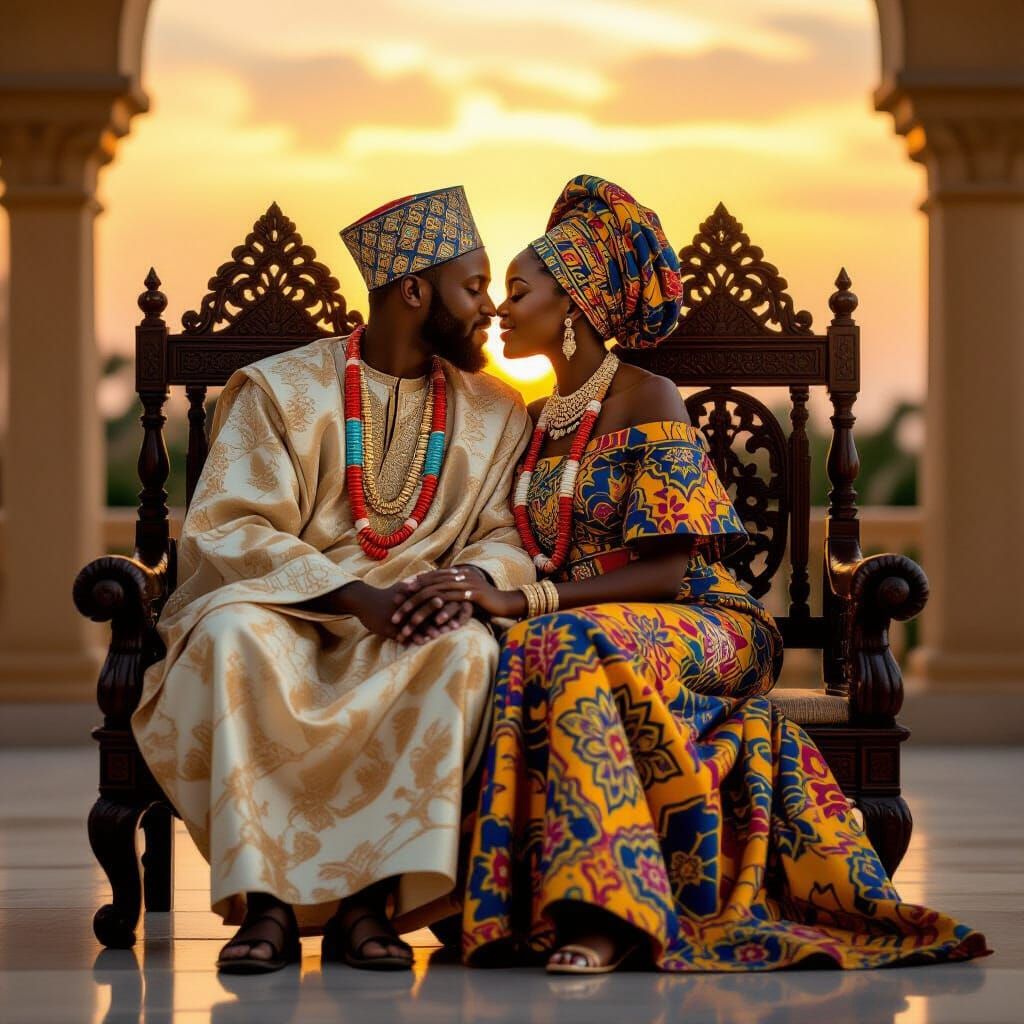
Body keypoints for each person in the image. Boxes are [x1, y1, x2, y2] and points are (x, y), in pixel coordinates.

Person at [390, 175, 990, 973]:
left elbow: (670, 566)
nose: (500, 308)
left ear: (573, 305)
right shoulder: (531, 423)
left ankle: (607, 916)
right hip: (588, 623)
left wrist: (522, 598)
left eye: (519, 290)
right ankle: (524, 908)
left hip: (708, 624)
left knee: (557, 642)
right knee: (526, 648)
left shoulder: (648, 397)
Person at [131, 186, 537, 973]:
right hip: (289, 609)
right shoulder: (282, 389)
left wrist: (457, 585)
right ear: (415, 291)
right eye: (474, 285)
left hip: (415, 620)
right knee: (228, 634)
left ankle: (367, 907)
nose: (489, 307)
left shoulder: (498, 411)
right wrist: (356, 596)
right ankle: (268, 906)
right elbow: (233, 525)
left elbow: (504, 536)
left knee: (467, 653)